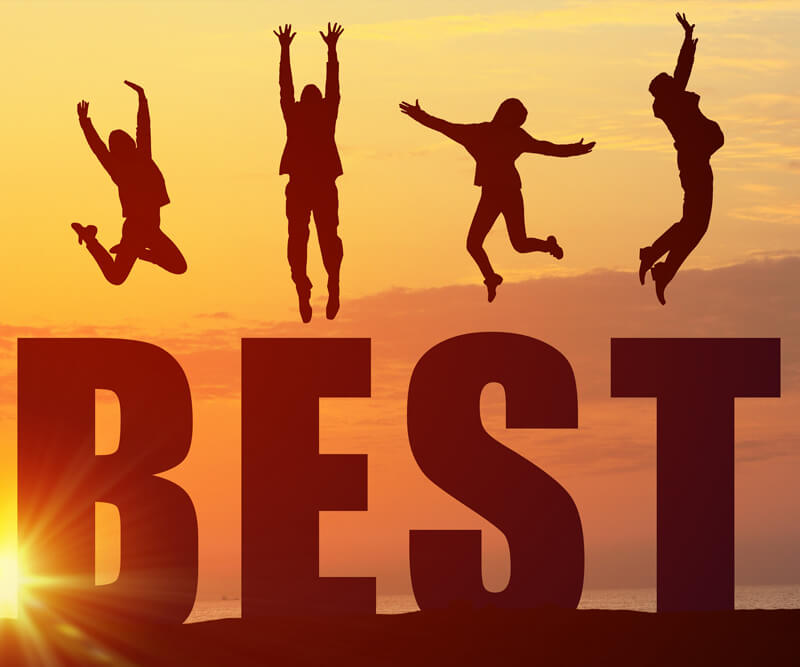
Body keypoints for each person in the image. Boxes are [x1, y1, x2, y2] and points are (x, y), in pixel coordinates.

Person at [399, 97, 595, 302]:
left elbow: (546, 148)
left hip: (509, 193)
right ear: (507, 116)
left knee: (518, 244)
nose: (517, 125)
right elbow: (444, 126)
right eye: (517, 120)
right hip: (492, 194)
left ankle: (548, 247)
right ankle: (491, 278)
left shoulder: (509, 135)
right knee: (475, 244)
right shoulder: (481, 133)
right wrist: (419, 115)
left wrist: (574, 149)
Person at [638, 13, 724, 305]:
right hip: (694, 164)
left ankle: (661, 265)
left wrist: (688, 39)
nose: (675, 81)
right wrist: (687, 41)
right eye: (669, 81)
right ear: (664, 89)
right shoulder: (671, 103)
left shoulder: (670, 102)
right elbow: (682, 70)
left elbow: (681, 71)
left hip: (695, 163)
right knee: (695, 224)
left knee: (694, 224)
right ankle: (655, 257)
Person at [71, 81, 186, 285]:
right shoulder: (123, 169)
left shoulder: (141, 159)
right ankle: (90, 238)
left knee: (179, 266)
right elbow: (100, 147)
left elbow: (142, 128)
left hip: (152, 231)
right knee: (116, 277)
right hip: (136, 230)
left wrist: (142, 98)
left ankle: (138, 252)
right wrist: (84, 123)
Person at [275, 22, 345, 323]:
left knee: (313, 239)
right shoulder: (320, 114)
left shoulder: (301, 114)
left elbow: (286, 88)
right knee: (315, 239)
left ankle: (321, 284)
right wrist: (331, 51)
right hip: (310, 186)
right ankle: (308, 286)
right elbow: (331, 88)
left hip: (312, 186)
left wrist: (285, 50)